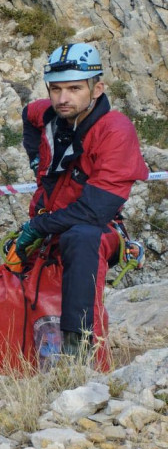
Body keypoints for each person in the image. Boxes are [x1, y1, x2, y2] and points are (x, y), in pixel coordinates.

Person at [15, 43, 147, 358]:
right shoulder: (47, 114)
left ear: (97, 88)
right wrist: (37, 161)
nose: (63, 98)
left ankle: (79, 347)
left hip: (98, 230)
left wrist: (37, 225)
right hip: (51, 225)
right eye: (56, 89)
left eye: (74, 88)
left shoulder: (115, 131)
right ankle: (4, 358)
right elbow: (27, 115)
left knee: (81, 236)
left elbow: (94, 211)